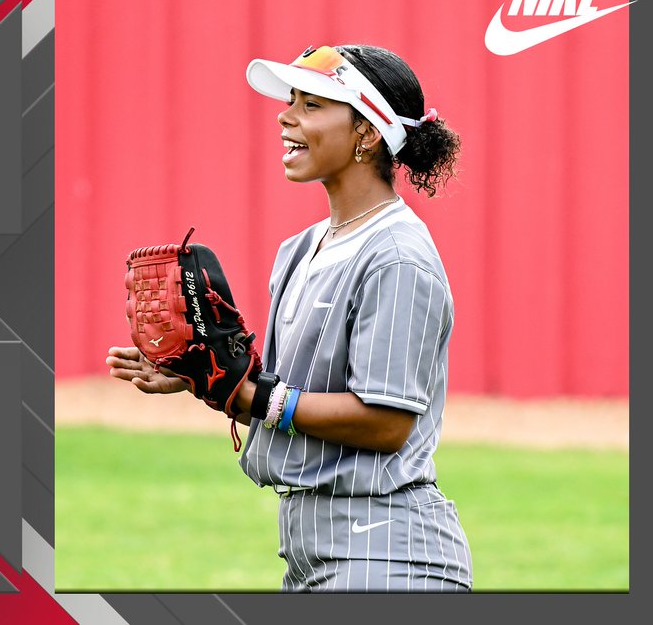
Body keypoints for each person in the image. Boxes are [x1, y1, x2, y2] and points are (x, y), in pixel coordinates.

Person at [106, 44, 472, 592]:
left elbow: (386, 422)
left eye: (312, 104)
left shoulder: (397, 257)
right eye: (291, 100)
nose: (286, 116)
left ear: (367, 132)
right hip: (314, 554)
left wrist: (252, 395)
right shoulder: (300, 249)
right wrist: (203, 378)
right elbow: (285, 396)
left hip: (385, 554)